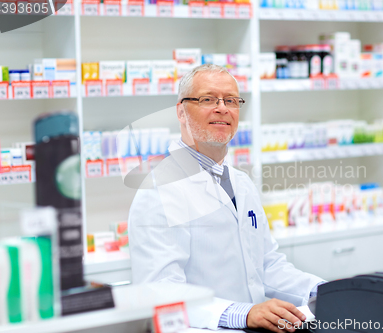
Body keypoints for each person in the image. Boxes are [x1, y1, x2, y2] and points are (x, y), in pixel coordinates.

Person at [128, 64, 325, 333]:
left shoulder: (242, 183)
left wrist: (325, 291)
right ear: (181, 111)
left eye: (231, 100)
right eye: (208, 99)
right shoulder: (159, 189)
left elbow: (267, 265)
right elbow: (161, 291)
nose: (222, 108)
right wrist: (242, 314)